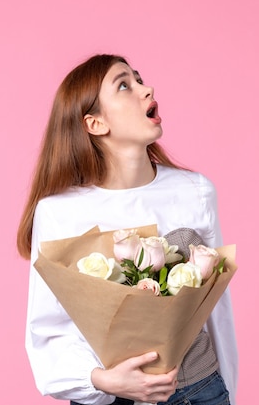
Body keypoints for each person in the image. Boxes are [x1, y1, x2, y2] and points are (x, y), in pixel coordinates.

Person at [17, 54, 238, 405]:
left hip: (199, 390)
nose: (146, 88)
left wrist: (229, 390)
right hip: (106, 396)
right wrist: (102, 381)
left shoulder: (194, 191)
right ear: (95, 123)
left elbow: (215, 312)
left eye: (139, 79)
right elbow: (48, 328)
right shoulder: (60, 212)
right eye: (125, 85)